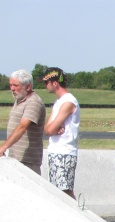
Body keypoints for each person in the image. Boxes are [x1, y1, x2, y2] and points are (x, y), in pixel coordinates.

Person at [41, 68, 80, 199]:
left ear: (55, 83)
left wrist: (52, 129)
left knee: (65, 191)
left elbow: (50, 129)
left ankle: (79, 217)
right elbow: (46, 129)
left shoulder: (69, 101)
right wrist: (52, 129)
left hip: (65, 152)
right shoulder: (58, 102)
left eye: (46, 83)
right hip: (55, 151)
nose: (45, 86)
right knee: (57, 191)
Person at [0, 69, 45, 174]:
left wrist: (3, 147)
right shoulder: (19, 100)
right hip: (16, 158)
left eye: (16, 85)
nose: (12, 89)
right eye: (11, 85)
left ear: (28, 87)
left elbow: (22, 126)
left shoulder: (33, 102)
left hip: (28, 160)